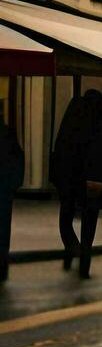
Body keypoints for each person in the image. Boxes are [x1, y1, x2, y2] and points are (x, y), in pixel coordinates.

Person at [51, 89, 102, 279]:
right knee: (89, 224)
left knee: (66, 218)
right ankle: (84, 259)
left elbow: (63, 151)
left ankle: (73, 250)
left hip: (73, 181)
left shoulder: (75, 123)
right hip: (94, 184)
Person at [0, 119, 22, 283]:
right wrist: (14, 185)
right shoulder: (8, 133)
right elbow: (17, 159)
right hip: (4, 190)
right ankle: (2, 268)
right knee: (2, 230)